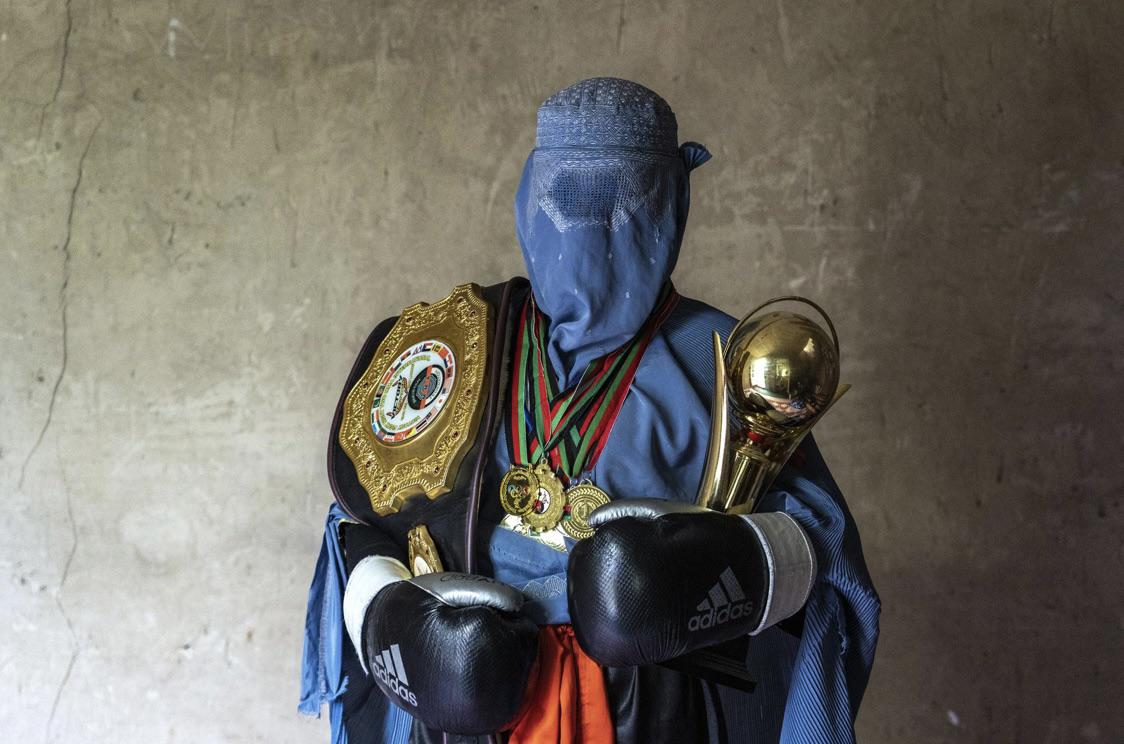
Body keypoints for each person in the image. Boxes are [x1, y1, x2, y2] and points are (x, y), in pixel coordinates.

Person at [300, 77, 879, 744]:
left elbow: (828, 556)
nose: (589, 228)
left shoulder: (722, 360)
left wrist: (724, 571)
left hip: (658, 706)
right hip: (465, 701)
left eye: (623, 203)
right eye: (565, 198)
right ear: (526, 195)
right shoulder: (451, 344)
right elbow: (356, 519)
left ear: (673, 203)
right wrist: (394, 619)